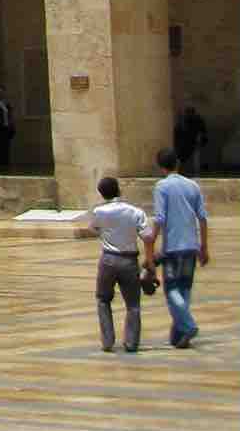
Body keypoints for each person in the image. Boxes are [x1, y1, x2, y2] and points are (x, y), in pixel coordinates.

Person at [78, 174, 156, 353]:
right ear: (119, 190)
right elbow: (148, 237)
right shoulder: (135, 211)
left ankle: (107, 340)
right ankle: (131, 342)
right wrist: (150, 263)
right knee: (133, 304)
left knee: (103, 299)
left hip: (108, 259)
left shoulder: (99, 212)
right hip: (129, 260)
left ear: (101, 194)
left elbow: (93, 228)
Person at [153, 144, 211, 349]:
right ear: (177, 163)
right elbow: (203, 218)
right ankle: (179, 334)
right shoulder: (192, 186)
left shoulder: (162, 187)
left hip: (173, 248)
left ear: (161, 166)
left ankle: (188, 325)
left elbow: (159, 218)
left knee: (171, 290)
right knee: (184, 288)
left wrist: (151, 243)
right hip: (191, 247)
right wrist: (204, 247)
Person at [173, 102, 207, 174]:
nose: (189, 115)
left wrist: (201, 141)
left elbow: (203, 131)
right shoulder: (183, 121)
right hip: (185, 144)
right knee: (186, 160)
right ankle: (188, 172)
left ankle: (191, 172)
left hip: (190, 144)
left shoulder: (195, 120)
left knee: (189, 160)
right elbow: (203, 131)